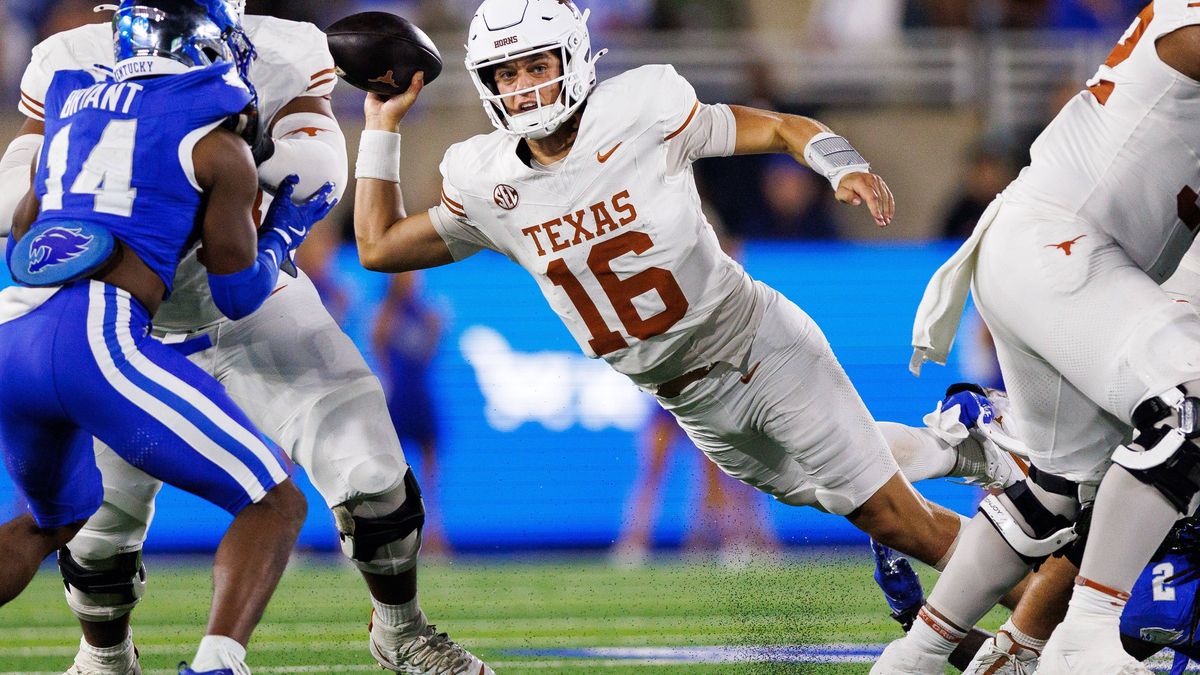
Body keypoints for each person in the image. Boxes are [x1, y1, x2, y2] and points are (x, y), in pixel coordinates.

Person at [352, 0, 969, 587]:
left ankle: (1013, 617)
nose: (525, 87)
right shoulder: (486, 181)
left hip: (754, 345)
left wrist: (841, 163)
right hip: (688, 402)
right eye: (507, 74)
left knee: (882, 510)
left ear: (573, 58)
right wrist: (381, 126)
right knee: (838, 492)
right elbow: (378, 247)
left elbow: (780, 128)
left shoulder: (640, 110)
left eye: (537, 66)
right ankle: (961, 439)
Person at [0, 1, 492, 673]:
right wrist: (220, 167)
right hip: (130, 319)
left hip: (236, 312)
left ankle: (402, 632)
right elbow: (15, 187)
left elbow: (317, 161)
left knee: (372, 473)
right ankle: (105, 657)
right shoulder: (73, 57)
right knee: (98, 535)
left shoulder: (281, 46)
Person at [0, 2, 326, 673]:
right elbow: (236, 294)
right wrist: (285, 233)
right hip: (92, 338)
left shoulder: (71, 111)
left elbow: (23, 235)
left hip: (13, 332)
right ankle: (216, 664)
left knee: (46, 522)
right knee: (274, 500)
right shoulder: (216, 143)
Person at [875, 2, 1200, 672]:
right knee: (1188, 407)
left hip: (1047, 255)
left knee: (1061, 489)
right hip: (1063, 250)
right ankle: (1086, 635)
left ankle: (916, 655)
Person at [372, 271, 450, 556]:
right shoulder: (386, 312)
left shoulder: (423, 312)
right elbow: (378, 345)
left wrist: (435, 328)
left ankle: (433, 533)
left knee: (430, 469)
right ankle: (391, 532)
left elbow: (428, 354)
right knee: (391, 468)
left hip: (420, 394)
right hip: (398, 397)